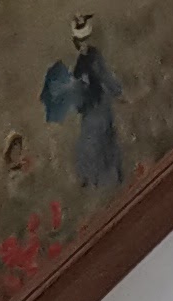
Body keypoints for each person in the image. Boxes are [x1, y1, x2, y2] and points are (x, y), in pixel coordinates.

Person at [40, 14, 125, 190]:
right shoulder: (81, 62)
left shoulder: (93, 56)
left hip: (98, 105)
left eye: (85, 39)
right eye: (80, 41)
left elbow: (104, 76)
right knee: (95, 142)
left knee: (99, 141)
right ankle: (96, 179)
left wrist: (117, 92)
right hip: (90, 107)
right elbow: (81, 86)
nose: (83, 44)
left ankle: (105, 178)